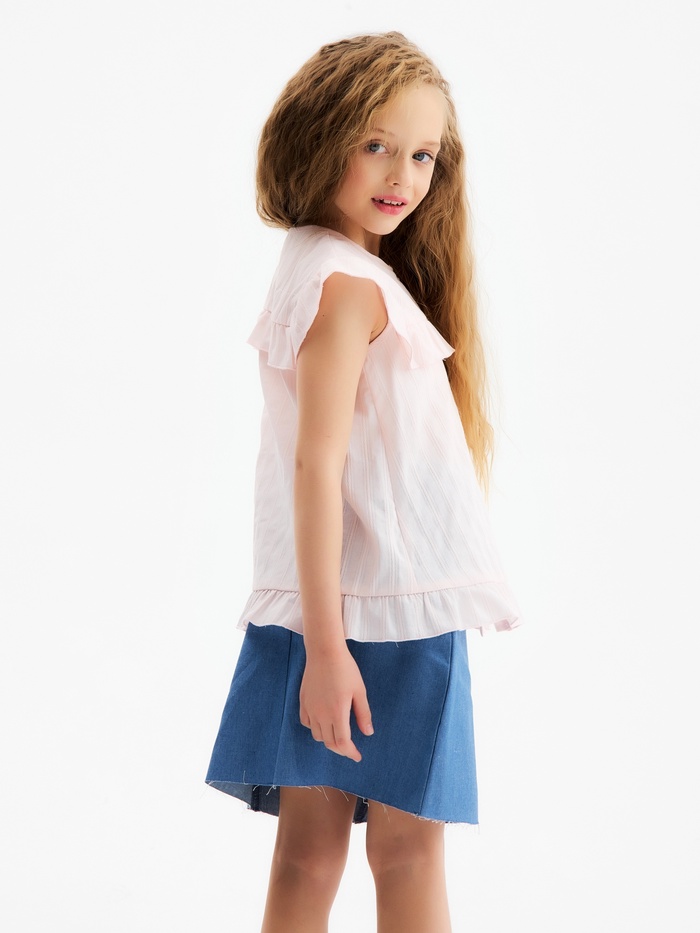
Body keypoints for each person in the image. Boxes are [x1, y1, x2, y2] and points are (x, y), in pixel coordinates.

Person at [206, 31, 522, 933]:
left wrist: (318, 637)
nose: (403, 175)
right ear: (321, 135)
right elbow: (317, 464)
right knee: (407, 853)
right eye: (376, 143)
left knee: (308, 854)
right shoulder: (347, 282)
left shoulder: (318, 264)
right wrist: (328, 648)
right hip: (386, 610)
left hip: (328, 605)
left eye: (423, 154)